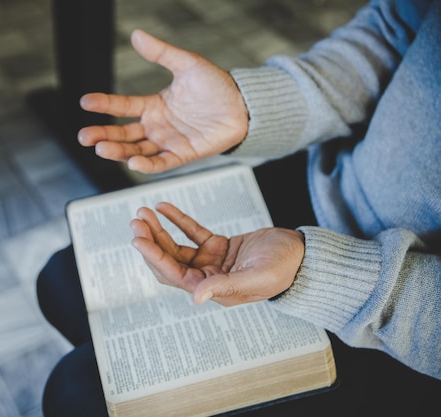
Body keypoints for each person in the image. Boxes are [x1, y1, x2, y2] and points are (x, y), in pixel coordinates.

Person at [37, 0, 441, 415]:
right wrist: (248, 107)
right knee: (61, 281)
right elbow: (396, 28)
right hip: (332, 178)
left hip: (400, 307)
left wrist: (319, 272)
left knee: (77, 395)